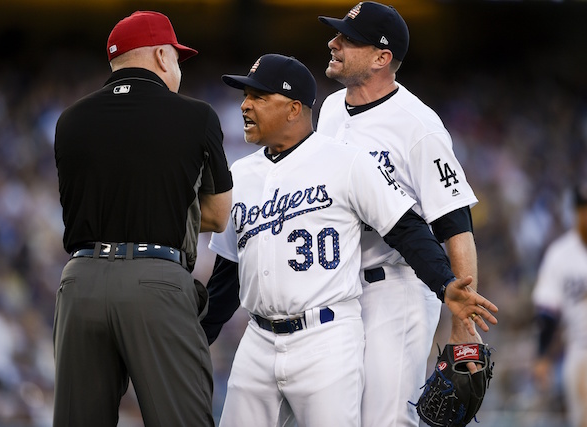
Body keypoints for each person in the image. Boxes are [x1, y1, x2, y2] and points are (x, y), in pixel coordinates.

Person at [201, 53, 497, 427]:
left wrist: (445, 283)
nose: (245, 105)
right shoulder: (240, 174)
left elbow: (406, 228)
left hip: (327, 333)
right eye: (246, 95)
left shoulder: (349, 162)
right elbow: (228, 273)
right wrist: (197, 340)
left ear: (294, 109)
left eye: (259, 97)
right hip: (258, 338)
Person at [53, 11, 233, 427]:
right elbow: (219, 215)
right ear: (159, 56)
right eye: (176, 58)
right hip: (155, 281)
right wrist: (167, 210)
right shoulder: (197, 116)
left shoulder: (69, 120)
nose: (178, 69)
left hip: (80, 282)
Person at [315, 2, 488, 426]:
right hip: (339, 289)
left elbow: (455, 225)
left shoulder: (419, 127)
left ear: (381, 58)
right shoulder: (331, 109)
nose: (333, 43)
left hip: (399, 289)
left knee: (387, 419)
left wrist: (461, 322)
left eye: (347, 39)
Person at [532, 184, 587, 427]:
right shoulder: (560, 255)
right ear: (576, 212)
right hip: (582, 348)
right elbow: (548, 312)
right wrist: (543, 356)